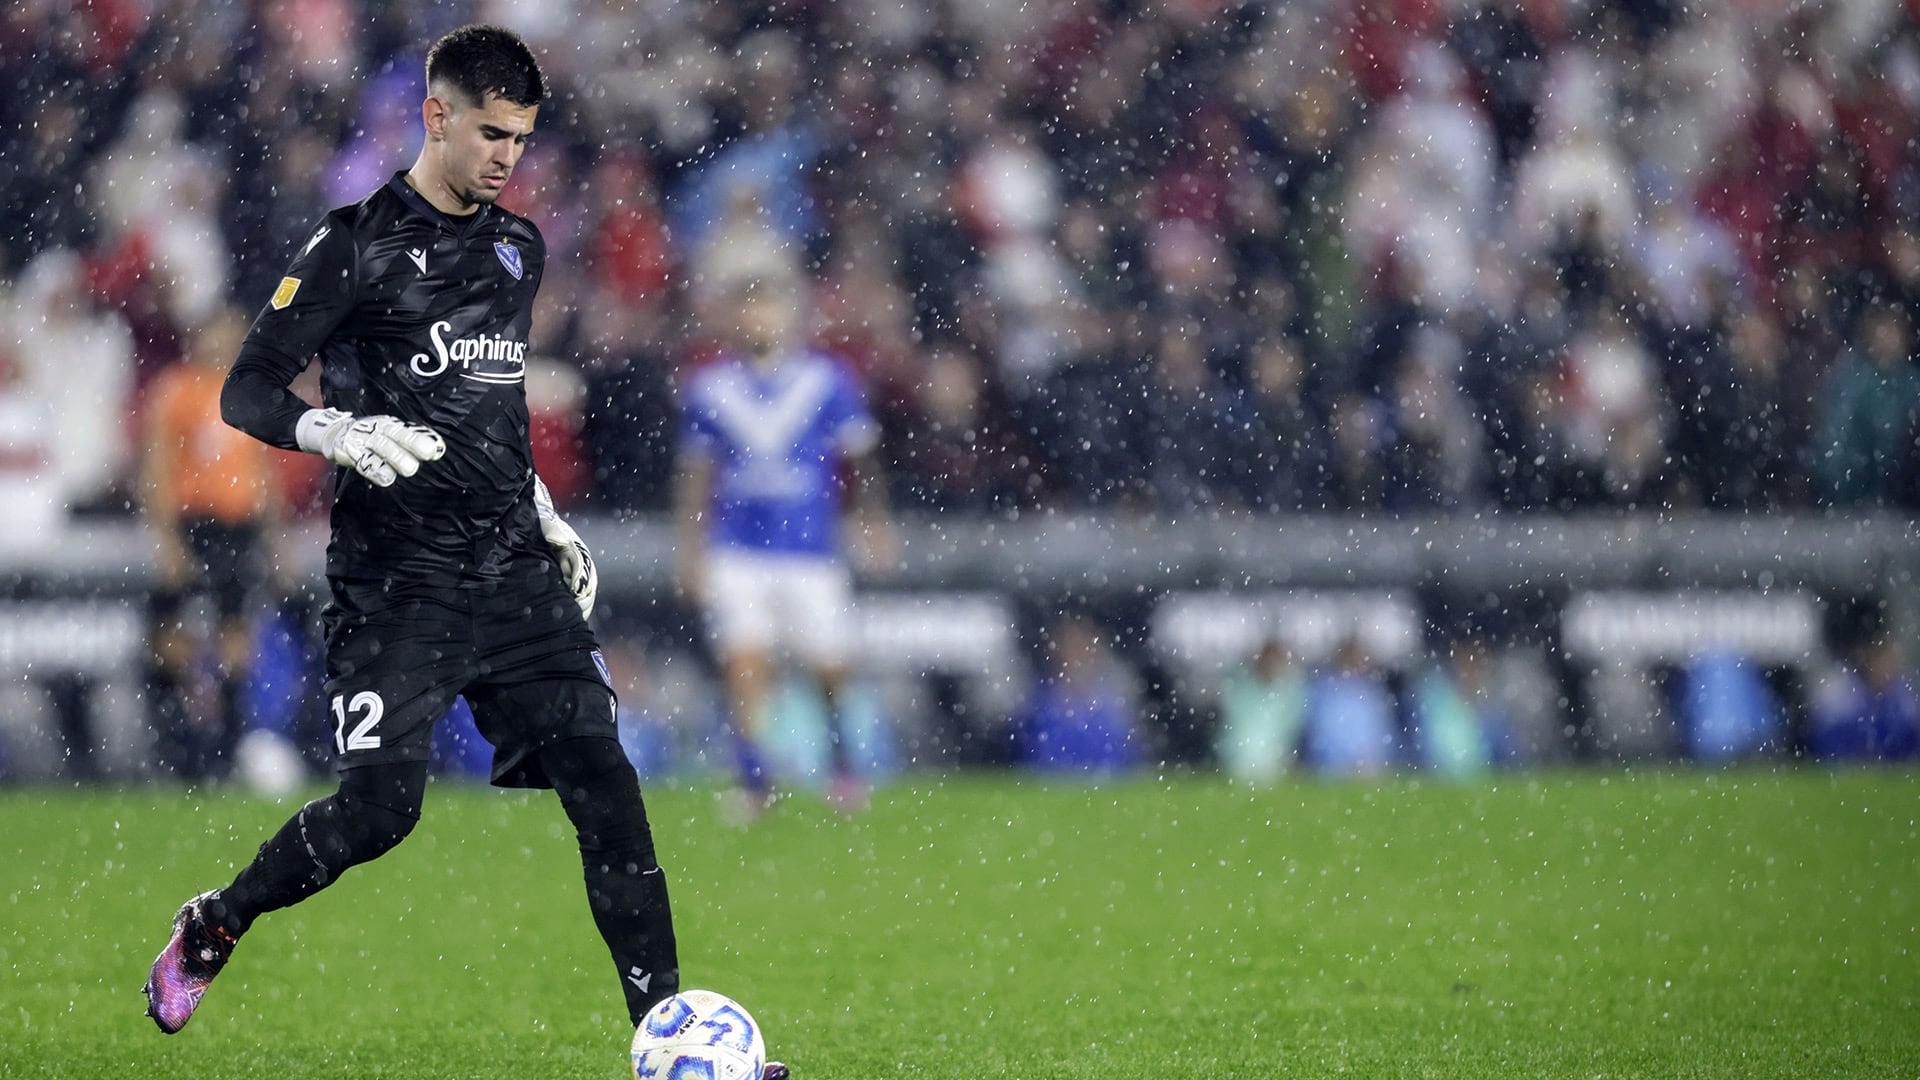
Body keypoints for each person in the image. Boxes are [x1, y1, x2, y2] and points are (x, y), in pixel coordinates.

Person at [138, 28, 789, 1077]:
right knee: (377, 814)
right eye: (490, 133)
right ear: (436, 115)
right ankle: (220, 919)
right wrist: (331, 431)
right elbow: (248, 389)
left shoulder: (516, 249)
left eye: (521, 140)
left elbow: (490, 403)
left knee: (605, 785)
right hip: (399, 585)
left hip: (509, 569)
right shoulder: (351, 245)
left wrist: (537, 506)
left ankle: (669, 1036)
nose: (506, 158)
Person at [673, 263, 895, 818]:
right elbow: (696, 474)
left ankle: (842, 762)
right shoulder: (711, 389)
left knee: (830, 667)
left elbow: (861, 457)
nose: (760, 319)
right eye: (750, 308)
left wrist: (873, 521)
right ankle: (753, 780)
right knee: (746, 665)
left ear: (791, 315)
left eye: (769, 307)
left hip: (809, 547)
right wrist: (691, 551)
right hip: (737, 549)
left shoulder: (828, 381)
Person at [141, 306, 278, 781]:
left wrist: (272, 541)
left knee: (236, 636)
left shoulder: (248, 390)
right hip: (191, 524)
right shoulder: (178, 389)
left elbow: (261, 475)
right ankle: (176, 749)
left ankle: (226, 749)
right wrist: (167, 539)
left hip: (235, 529)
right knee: (170, 639)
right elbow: (157, 467)